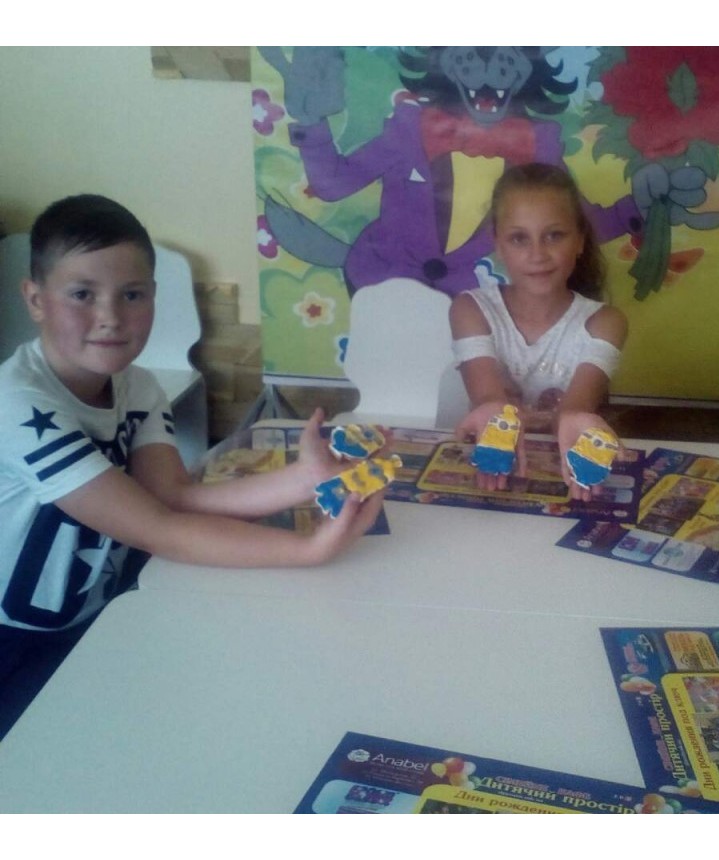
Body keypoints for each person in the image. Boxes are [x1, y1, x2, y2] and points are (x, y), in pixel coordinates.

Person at [0, 194, 383, 738]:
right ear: (35, 300)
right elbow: (160, 528)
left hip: (97, 616)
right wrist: (308, 550)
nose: (110, 317)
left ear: (154, 297)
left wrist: (303, 477)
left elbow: (174, 496)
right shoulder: (18, 405)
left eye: (132, 294)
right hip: (16, 641)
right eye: (82, 294)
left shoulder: (138, 385)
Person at [449, 163, 628, 500]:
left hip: (566, 469)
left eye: (554, 235)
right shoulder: (469, 309)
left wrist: (575, 418)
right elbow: (488, 399)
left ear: (580, 240)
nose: (537, 255)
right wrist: (493, 415)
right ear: (498, 244)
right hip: (495, 463)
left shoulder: (606, 322)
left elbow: (574, 409)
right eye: (519, 238)